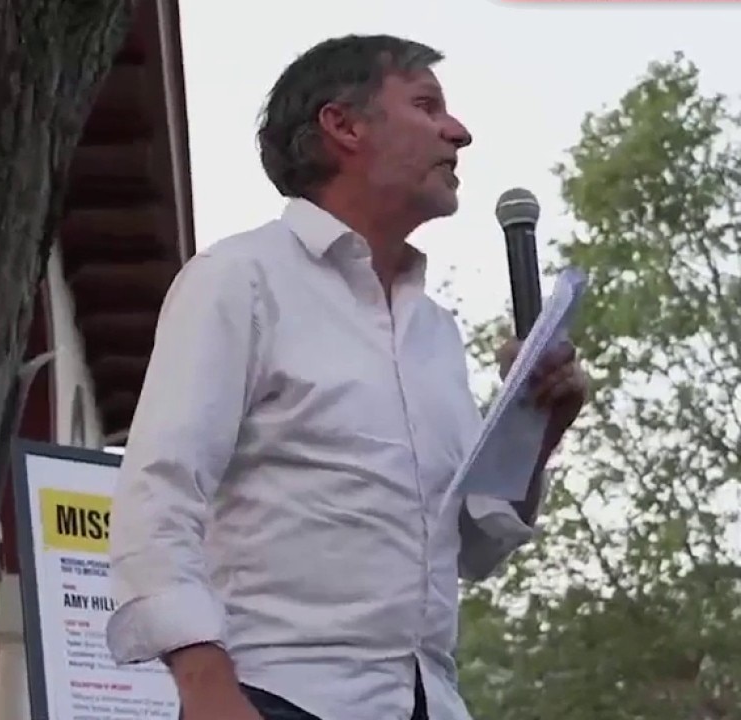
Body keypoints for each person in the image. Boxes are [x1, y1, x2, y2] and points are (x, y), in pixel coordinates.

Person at [105, 34, 589, 720]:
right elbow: (158, 495)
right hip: (279, 696)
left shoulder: (436, 331)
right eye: (427, 105)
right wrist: (208, 691)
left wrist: (536, 433)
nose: (459, 132)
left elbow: (473, 548)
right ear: (343, 126)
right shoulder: (239, 280)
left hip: (429, 700)